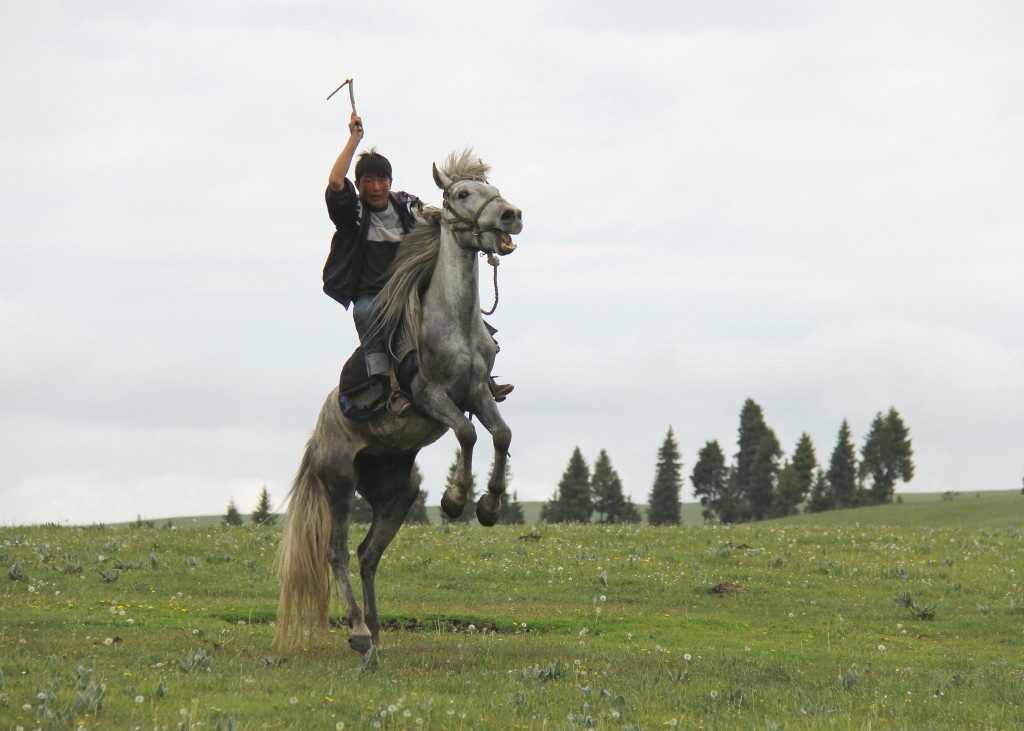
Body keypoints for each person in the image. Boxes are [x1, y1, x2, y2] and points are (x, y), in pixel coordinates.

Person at [322, 112, 513, 416]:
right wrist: (354, 139)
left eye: (381, 180)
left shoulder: (406, 206)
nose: (375, 187)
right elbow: (334, 181)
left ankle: (482, 376)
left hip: (411, 289)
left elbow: (445, 219)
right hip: (375, 296)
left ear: (390, 182)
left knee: (454, 304)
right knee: (365, 311)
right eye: (368, 181)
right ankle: (385, 385)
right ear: (357, 185)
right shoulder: (353, 214)